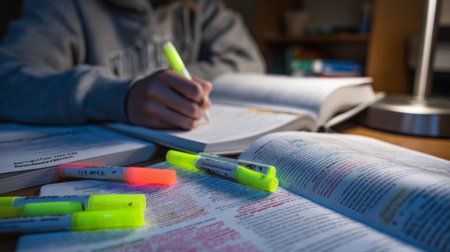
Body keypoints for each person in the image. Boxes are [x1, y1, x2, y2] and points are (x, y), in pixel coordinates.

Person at [0, 0, 265, 129]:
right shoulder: (65, 6)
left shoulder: (199, 6)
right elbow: (7, 81)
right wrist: (118, 95)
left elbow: (248, 60)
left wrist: (177, 86)